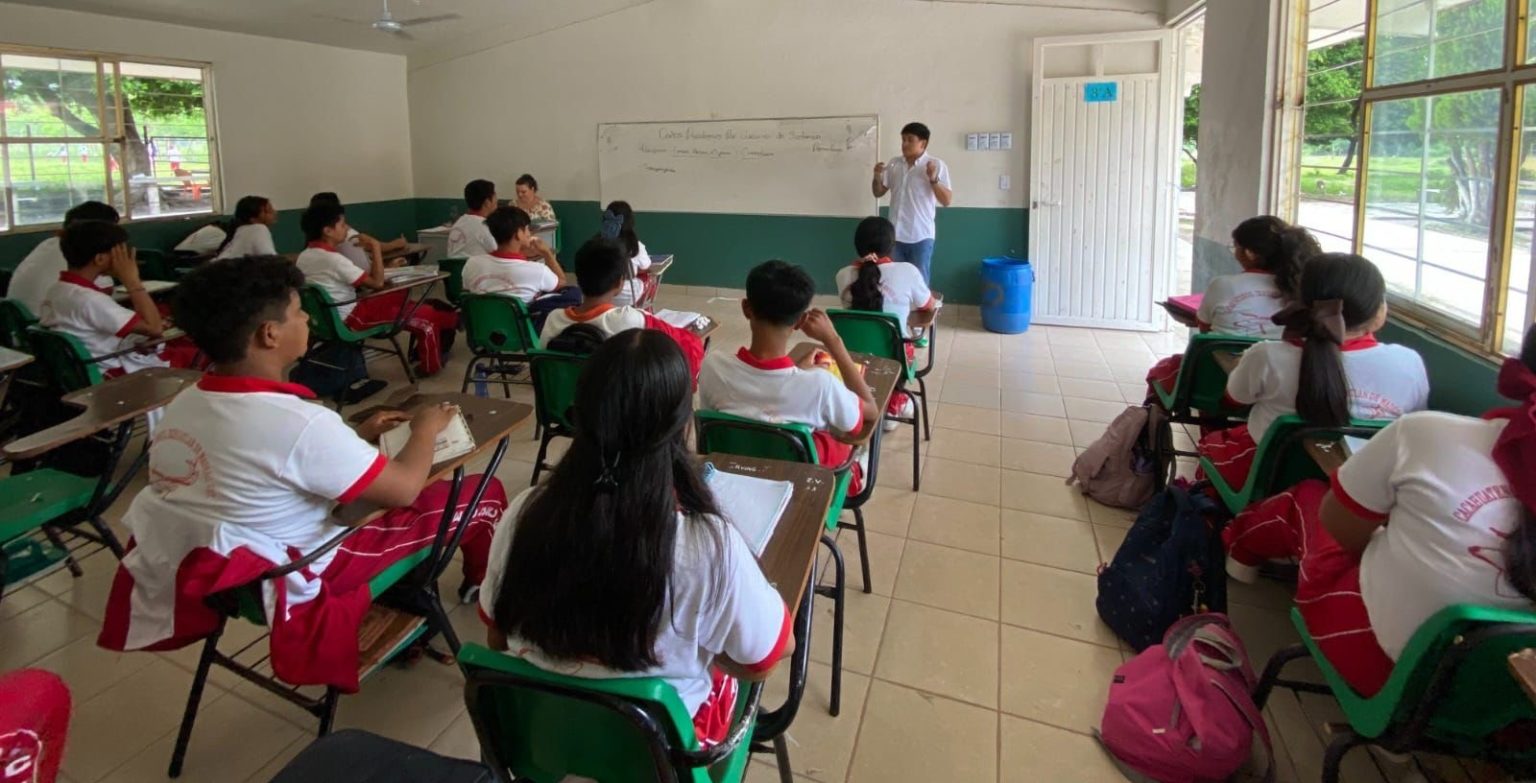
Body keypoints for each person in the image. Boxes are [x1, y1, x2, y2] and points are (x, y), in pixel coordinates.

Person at [98, 255, 508, 691]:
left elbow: (265, 462)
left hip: (232, 579)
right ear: (269, 333)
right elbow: (404, 489)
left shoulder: (184, 404)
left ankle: (413, 595)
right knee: (485, 491)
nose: (308, 318)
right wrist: (424, 428)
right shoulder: (298, 422)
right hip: (311, 565)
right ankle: (479, 585)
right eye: (298, 312)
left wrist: (353, 436)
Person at [480, 328, 791, 745]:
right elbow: (765, 660)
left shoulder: (524, 512)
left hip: (543, 738)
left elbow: (497, 636)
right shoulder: (709, 546)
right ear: (683, 426)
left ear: (581, 413)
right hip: (659, 754)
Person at [1219, 324, 1536, 697]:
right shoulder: (1409, 370)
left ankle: (1237, 551)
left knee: (1310, 499)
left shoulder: (1426, 435)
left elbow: (1341, 528)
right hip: (1505, 702)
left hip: (1385, 672)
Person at [1197, 253, 1429, 490]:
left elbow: (1234, 399)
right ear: (1379, 313)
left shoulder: (1267, 355)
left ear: (1302, 304)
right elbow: (1414, 423)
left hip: (1266, 476)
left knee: (1212, 447)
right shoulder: (1409, 363)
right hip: (1368, 486)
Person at [698, 260, 877, 494]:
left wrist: (797, 371)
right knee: (846, 441)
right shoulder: (821, 384)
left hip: (737, 482)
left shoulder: (712, 367)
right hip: (801, 491)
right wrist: (833, 341)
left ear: (746, 308)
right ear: (800, 321)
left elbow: (753, 402)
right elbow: (870, 412)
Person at [1146, 217, 1322, 394]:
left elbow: (1205, 329)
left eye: (1235, 247)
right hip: (1281, 381)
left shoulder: (1222, 285)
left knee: (1162, 371)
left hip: (1217, 381)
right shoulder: (1303, 291)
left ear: (1250, 253)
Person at [295, 203, 459, 376]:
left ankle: (451, 318)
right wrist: (374, 245)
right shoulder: (334, 260)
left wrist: (387, 268)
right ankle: (435, 354)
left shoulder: (304, 257)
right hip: (352, 318)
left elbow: (361, 279)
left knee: (402, 300)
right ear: (328, 231)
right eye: (342, 225)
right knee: (423, 316)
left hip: (324, 320)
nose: (346, 228)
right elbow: (377, 283)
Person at [38, 220, 196, 376]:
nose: (126, 260)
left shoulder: (57, 290)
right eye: (120, 253)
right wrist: (132, 281)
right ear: (100, 259)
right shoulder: (90, 299)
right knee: (194, 353)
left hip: (88, 366)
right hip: (114, 372)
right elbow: (154, 329)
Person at [541, 237, 704, 380]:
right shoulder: (631, 319)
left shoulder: (553, 319)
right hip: (615, 404)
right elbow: (687, 345)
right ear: (620, 283)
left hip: (565, 405)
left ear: (578, 278)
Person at [836, 215, 934, 429]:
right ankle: (894, 404)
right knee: (901, 340)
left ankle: (864, 400)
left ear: (857, 245)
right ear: (892, 245)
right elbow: (928, 305)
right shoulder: (907, 271)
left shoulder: (842, 275)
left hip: (852, 356)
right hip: (895, 357)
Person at [464, 205, 580, 328]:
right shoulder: (537, 270)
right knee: (573, 293)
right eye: (527, 229)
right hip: (521, 331)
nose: (529, 233)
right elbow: (562, 283)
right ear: (519, 234)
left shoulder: (472, 263)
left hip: (483, 328)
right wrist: (547, 253)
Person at [870, 122, 953, 283]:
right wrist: (877, 176)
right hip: (894, 236)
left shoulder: (936, 165)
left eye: (910, 140)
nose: (904, 144)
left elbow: (946, 200)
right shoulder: (894, 164)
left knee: (919, 283)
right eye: (903, 140)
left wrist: (933, 179)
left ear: (923, 143)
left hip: (920, 237)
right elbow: (878, 192)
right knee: (893, 282)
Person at [8, 201, 118, 316]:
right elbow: (105, 294)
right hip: (49, 322)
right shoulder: (84, 252)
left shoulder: (48, 244)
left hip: (19, 322)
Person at [308, 192, 407, 269]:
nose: (346, 228)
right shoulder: (343, 240)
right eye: (342, 225)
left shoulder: (310, 250)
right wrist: (394, 246)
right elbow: (375, 282)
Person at [599, 201, 652, 307]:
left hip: (599, 294)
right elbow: (646, 266)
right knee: (650, 278)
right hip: (627, 295)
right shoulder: (635, 246)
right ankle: (641, 310)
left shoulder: (596, 244)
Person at [215, 195, 278, 260]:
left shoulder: (241, 230)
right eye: (269, 211)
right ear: (253, 219)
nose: (275, 212)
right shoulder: (258, 229)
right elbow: (271, 260)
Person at [448, 179, 499, 258]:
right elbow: (499, 253)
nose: (497, 204)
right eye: (495, 201)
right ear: (487, 202)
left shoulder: (459, 223)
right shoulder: (484, 227)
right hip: (476, 266)